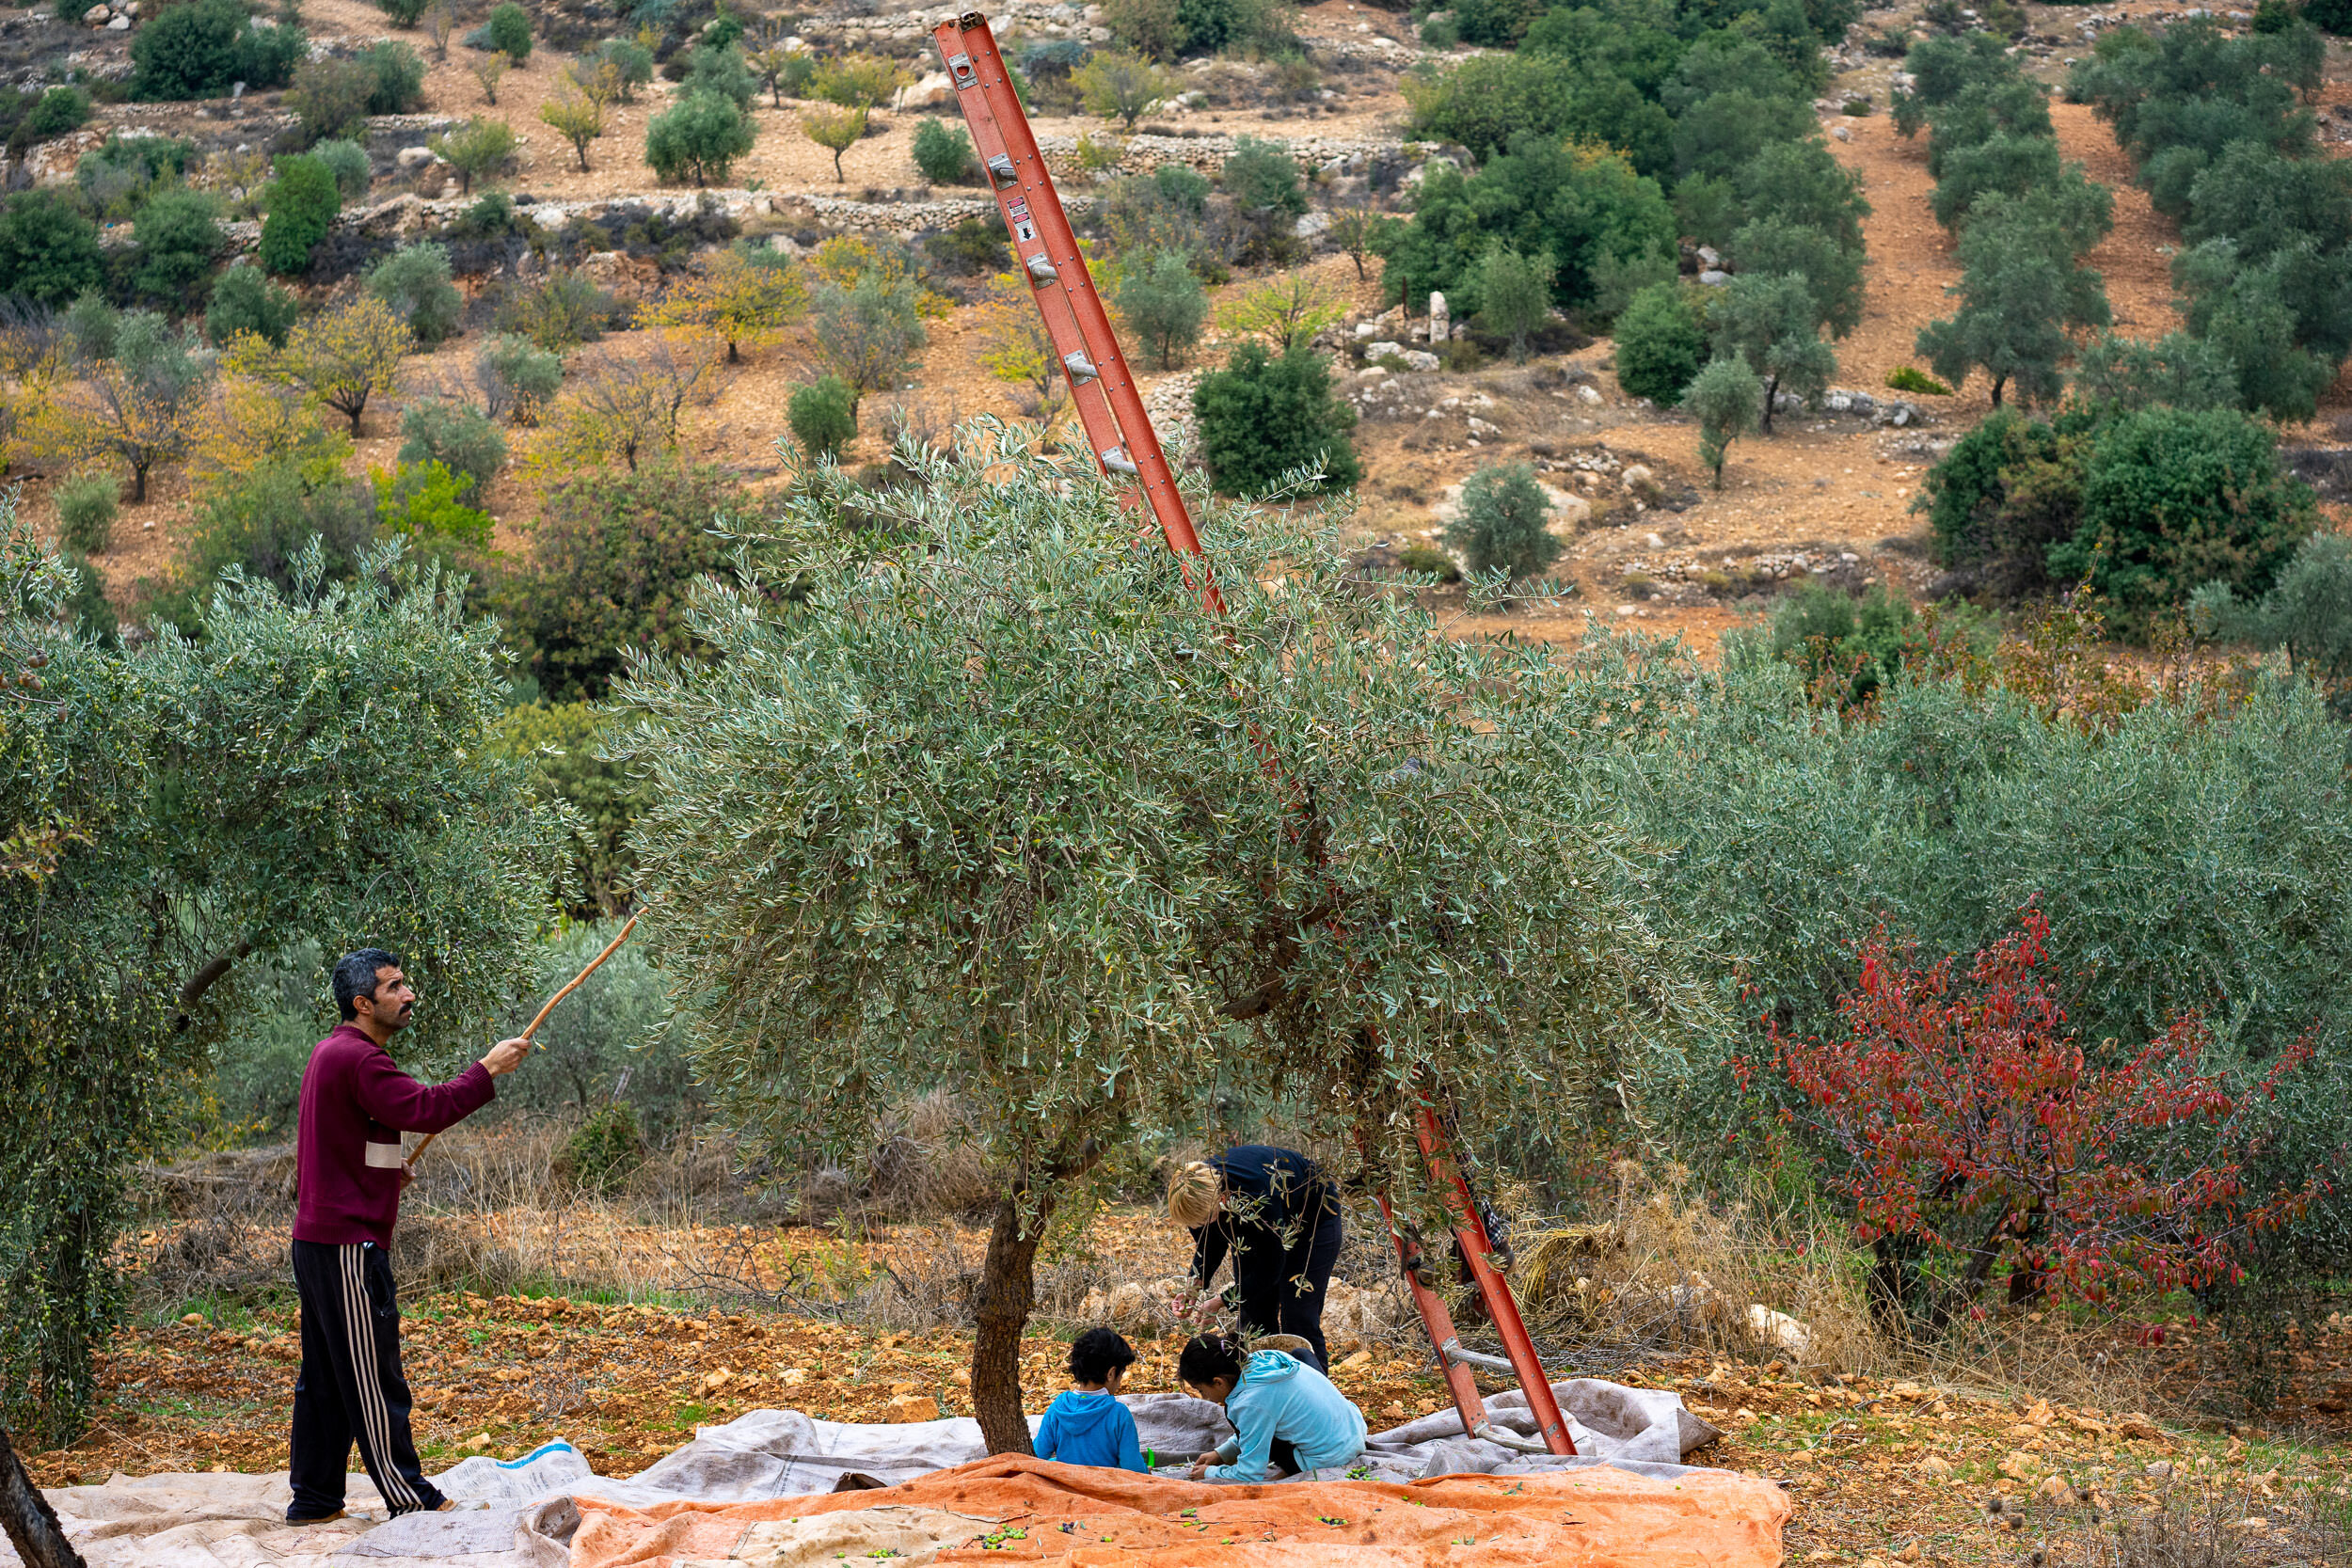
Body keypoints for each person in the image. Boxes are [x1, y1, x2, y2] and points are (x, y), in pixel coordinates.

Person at [285, 948, 532, 1524]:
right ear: (362, 1003)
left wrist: (384, 1163)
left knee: (326, 1375)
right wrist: (486, 1069)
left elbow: (344, 1136)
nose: (409, 994)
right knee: (372, 1374)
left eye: (405, 984)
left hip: (320, 1240)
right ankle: (408, 1496)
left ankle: (315, 1500)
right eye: (395, 987)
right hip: (349, 1246)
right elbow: (425, 1107)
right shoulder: (363, 1060)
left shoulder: (332, 1053)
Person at [1167, 1146, 1343, 1370]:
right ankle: (1263, 1387)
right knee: (1254, 1313)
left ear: (1222, 1200)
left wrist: (1221, 1301)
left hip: (1312, 1222)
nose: (1196, 1228)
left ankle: (1314, 1392)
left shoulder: (1257, 1192)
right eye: (1193, 1224)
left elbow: (1271, 1267)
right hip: (1259, 1225)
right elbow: (1209, 1243)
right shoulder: (1197, 1198)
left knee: (1297, 1314)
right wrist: (1194, 1285)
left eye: (1201, 1222)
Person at [1177, 1333, 1367, 1483]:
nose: (1205, 1397)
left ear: (1218, 1382)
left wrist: (1211, 1472)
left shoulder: (1248, 1402)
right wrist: (1221, 1453)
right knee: (1301, 1355)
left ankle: (1298, 1465)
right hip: (1355, 1432)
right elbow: (1260, 1420)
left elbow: (1249, 1473)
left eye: (1201, 1390)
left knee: (1235, 1413)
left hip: (1330, 1457)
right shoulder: (1266, 1359)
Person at [1033, 1327, 1149, 1472]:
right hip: (1104, 1491)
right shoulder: (1119, 1414)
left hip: (1066, 1488)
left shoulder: (1057, 1408)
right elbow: (1132, 1468)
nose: (1120, 1383)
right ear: (1111, 1374)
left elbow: (1036, 1455)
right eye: (1121, 1375)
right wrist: (1146, 1472)